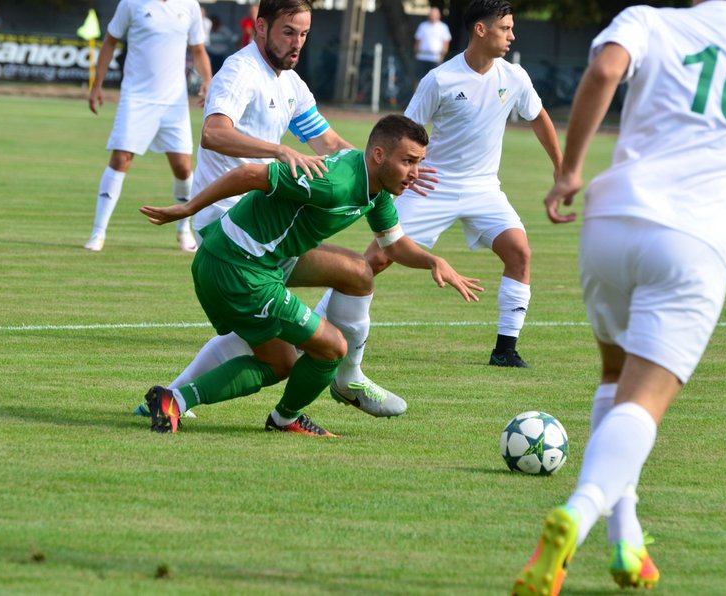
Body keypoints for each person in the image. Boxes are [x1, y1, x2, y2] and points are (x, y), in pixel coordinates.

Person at [512, 1, 726, 593]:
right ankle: (578, 514)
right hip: (694, 240)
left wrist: (570, 172)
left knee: (614, 378)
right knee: (643, 400)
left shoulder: (649, 18)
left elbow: (604, 71)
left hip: (612, 220)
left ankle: (627, 540)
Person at [131, 0, 435, 422]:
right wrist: (277, 149)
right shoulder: (240, 72)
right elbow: (214, 133)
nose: (298, 43)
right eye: (289, 32)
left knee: (349, 278)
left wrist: (384, 167)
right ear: (261, 28)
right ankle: (343, 377)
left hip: (261, 216)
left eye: (305, 34)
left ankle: (172, 399)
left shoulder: (290, 83)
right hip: (228, 218)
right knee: (320, 299)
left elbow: (330, 145)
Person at [138, 115, 483, 436]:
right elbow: (251, 176)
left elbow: (393, 245)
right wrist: (187, 209)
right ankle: (284, 415)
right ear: (379, 155)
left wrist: (433, 261)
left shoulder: (374, 190)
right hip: (239, 268)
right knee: (332, 347)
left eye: (419, 162)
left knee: (283, 358)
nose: (415, 172)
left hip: (248, 263)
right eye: (408, 161)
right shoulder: (334, 182)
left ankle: (177, 400)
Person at [316, 0, 563, 369]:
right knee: (377, 259)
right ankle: (316, 329)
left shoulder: (515, 78)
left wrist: (562, 168)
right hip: (431, 187)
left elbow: (539, 117)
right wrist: (413, 170)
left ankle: (505, 351)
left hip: (484, 189)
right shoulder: (440, 79)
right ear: (481, 29)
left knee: (519, 253)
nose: (512, 35)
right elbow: (405, 132)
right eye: (505, 28)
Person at [84, 0, 212, 253]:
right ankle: (98, 232)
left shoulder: (190, 6)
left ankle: (183, 230)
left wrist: (208, 82)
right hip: (136, 97)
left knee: (183, 167)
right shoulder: (131, 3)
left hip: (174, 102)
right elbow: (110, 41)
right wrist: (96, 84)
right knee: (121, 159)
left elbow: (198, 50)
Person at [413, 6, 451, 85]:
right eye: (431, 14)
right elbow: (418, 41)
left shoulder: (443, 27)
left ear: (439, 15)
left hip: (435, 59)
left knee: (435, 81)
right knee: (419, 80)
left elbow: (446, 43)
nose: (432, 16)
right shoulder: (422, 26)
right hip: (422, 58)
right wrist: (417, 54)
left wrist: (441, 57)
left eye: (434, 14)